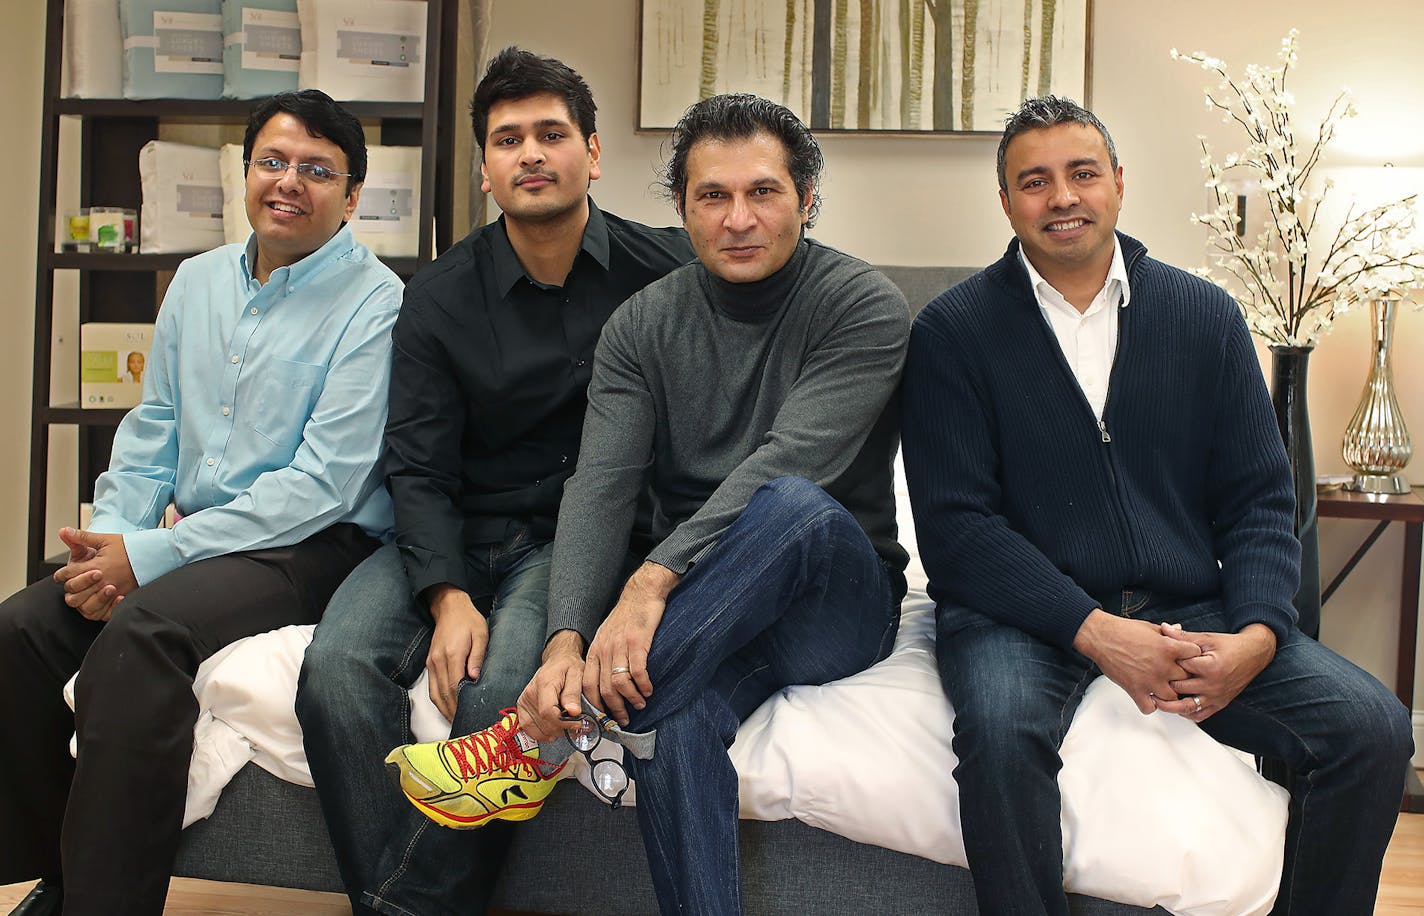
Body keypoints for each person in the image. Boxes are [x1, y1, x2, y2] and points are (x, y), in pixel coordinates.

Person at [387, 91, 911, 915]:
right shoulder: (641, 326)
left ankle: (537, 739)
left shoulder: (862, 305)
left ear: (806, 200)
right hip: (707, 608)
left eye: (763, 192)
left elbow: (791, 460)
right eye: (713, 196)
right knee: (674, 718)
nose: (738, 218)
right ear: (681, 208)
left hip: (831, 595)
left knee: (791, 502)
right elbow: (598, 487)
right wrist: (565, 642)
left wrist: (648, 583)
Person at [900, 95, 1413, 915]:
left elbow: (1257, 501)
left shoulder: (1205, 318)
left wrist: (1255, 632)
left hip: (1189, 600)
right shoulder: (952, 332)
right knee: (999, 739)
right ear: (1005, 203)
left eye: (1082, 174)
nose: (1061, 197)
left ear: (1118, 185)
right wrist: (1100, 635)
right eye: (1034, 182)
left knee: (1374, 729)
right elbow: (958, 532)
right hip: (1019, 615)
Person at [295, 47, 693, 916]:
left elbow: (771, 263)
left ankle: (402, 906)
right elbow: (418, 464)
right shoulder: (438, 296)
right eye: (508, 139)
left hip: (571, 538)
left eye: (552, 134)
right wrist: (445, 596)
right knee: (332, 672)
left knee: (502, 696)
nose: (531, 154)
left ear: (594, 152)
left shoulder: (664, 274)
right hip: (457, 529)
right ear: (485, 169)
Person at [0, 89, 400, 916]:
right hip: (194, 534)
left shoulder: (377, 302)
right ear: (245, 172)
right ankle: (58, 873)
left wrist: (149, 559)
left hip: (310, 544)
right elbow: (155, 429)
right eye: (273, 162)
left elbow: (322, 483)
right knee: (22, 629)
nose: (289, 182)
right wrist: (112, 538)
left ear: (353, 195)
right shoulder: (197, 280)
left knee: (143, 637)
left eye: (317, 170)